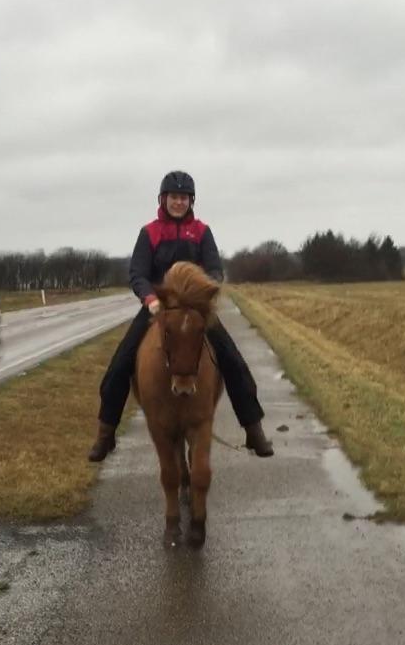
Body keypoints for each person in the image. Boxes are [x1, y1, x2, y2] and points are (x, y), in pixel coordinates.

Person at [88, 170, 274, 461]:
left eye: (184, 197)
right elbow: (137, 273)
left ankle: (253, 428)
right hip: (157, 309)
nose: (178, 202)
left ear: (191, 201)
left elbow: (214, 270)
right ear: (163, 199)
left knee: (233, 361)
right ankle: (105, 433)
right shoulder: (149, 232)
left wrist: (201, 296)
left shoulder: (201, 232)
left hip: (194, 311)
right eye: (173, 197)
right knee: (120, 364)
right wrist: (150, 298)